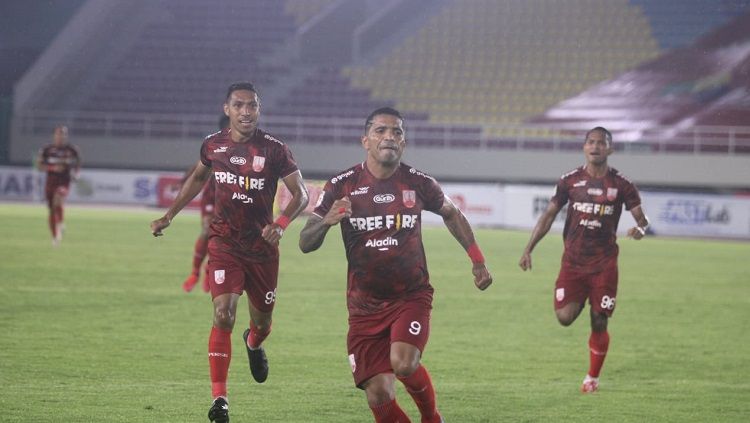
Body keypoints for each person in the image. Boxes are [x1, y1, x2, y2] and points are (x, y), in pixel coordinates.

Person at [299, 107, 492, 423]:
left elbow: (452, 214)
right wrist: (326, 222)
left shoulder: (418, 182)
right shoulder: (341, 185)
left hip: (410, 296)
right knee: (377, 392)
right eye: (381, 131)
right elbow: (306, 242)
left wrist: (478, 262)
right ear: (366, 140)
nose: (389, 136)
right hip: (363, 305)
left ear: (404, 142)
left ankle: (432, 418)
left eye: (397, 132)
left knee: (403, 363)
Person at [150, 82, 309, 423]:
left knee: (262, 322)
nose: (246, 112)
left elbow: (302, 195)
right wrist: (169, 215)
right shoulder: (213, 145)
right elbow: (196, 179)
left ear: (259, 110)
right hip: (224, 244)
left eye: (252, 106)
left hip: (262, 248)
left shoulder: (275, 150)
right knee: (223, 313)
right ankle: (219, 400)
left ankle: (253, 343)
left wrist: (280, 224)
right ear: (228, 109)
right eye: (239, 105)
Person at [518, 127, 650, 393]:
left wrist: (641, 230)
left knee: (599, 319)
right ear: (584, 147)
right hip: (573, 263)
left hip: (604, 264)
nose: (596, 146)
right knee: (564, 317)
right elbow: (548, 216)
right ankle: (586, 302)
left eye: (601, 143)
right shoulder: (569, 181)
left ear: (610, 149)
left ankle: (592, 378)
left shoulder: (622, 185)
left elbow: (642, 220)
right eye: (591, 142)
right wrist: (528, 248)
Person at [182, 115, 230, 293]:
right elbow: (198, 167)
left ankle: (209, 271)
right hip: (212, 197)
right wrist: (182, 182)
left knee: (222, 238)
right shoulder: (214, 144)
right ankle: (194, 273)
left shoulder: (245, 146)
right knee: (206, 230)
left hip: (230, 200)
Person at [36, 125, 81, 246]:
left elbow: (78, 164)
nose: (61, 137)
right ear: (54, 135)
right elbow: (39, 166)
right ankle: (55, 236)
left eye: (63, 134)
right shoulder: (47, 150)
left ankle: (60, 223)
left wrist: (76, 174)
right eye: (59, 134)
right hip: (50, 182)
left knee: (58, 198)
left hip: (64, 182)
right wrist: (53, 167)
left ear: (66, 136)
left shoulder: (72, 150)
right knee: (51, 210)